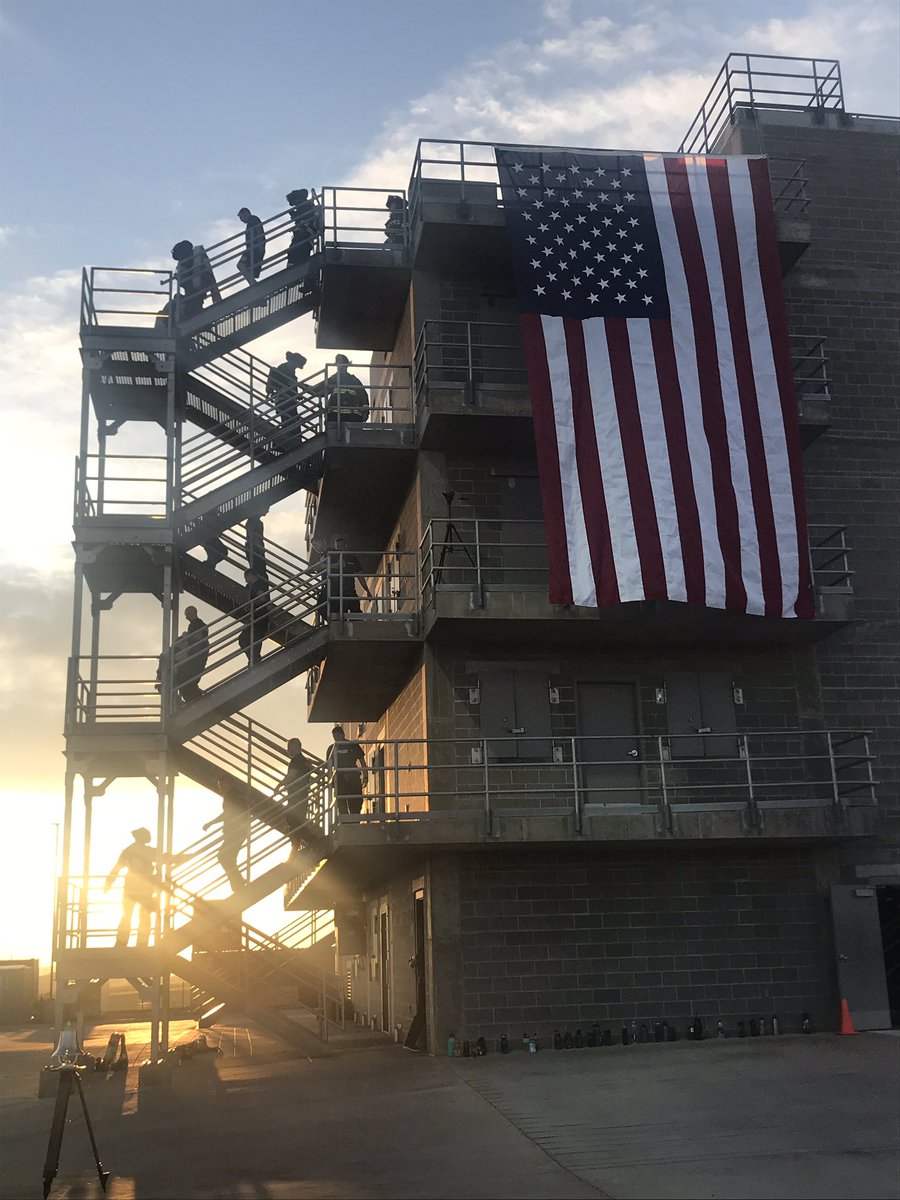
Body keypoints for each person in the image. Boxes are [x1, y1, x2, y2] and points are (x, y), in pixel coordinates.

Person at [104, 827, 183, 948]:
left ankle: (121, 943)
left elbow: (117, 868)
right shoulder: (147, 851)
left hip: (129, 888)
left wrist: (108, 883)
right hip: (145, 890)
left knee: (127, 915)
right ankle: (141, 943)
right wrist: (181, 858)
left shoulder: (128, 850)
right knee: (144, 916)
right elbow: (165, 857)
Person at [203, 779, 248, 892]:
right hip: (237, 831)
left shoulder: (232, 796)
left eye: (221, 785)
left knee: (224, 857)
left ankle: (237, 883)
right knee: (228, 857)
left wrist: (211, 823)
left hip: (236, 831)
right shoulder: (235, 795)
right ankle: (238, 882)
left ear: (228, 784)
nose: (220, 788)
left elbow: (228, 813)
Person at [273, 737, 318, 846]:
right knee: (296, 821)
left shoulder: (297, 760)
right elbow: (311, 770)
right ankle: (299, 844)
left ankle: (310, 839)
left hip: (297, 795)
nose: (288, 750)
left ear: (296, 747)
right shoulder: (304, 760)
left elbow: (291, 775)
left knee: (292, 819)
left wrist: (279, 785)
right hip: (301, 795)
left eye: (289, 747)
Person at [170, 240, 221, 320]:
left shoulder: (197, 258)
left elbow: (209, 276)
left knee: (192, 306)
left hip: (197, 290)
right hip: (193, 290)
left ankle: (194, 317)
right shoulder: (187, 263)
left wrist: (215, 293)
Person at [266, 351, 307, 443]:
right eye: (298, 364)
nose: (297, 367)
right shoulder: (286, 370)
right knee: (291, 422)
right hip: (285, 401)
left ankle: (286, 443)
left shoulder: (286, 369)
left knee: (290, 422)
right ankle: (288, 443)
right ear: (295, 361)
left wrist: (297, 394)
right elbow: (287, 384)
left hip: (286, 400)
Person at [328, 535, 373, 618]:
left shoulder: (352, 558)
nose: (340, 549)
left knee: (356, 612)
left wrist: (367, 591)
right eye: (337, 547)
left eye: (341, 546)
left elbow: (360, 575)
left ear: (346, 546)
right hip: (337, 592)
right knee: (340, 616)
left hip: (350, 590)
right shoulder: (332, 559)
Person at [327, 725, 367, 816]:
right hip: (339, 779)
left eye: (338, 736)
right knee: (341, 803)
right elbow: (328, 767)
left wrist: (365, 776)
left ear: (343, 734)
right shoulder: (332, 749)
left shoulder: (352, 745)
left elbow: (362, 762)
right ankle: (344, 821)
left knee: (355, 802)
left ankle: (355, 819)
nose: (336, 739)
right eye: (334, 737)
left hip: (353, 777)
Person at [322, 354, 369, 427]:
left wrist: (365, 412)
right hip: (336, 416)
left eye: (341, 364)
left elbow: (363, 397)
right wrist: (306, 387)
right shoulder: (334, 379)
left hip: (351, 417)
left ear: (346, 365)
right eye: (338, 364)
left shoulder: (353, 380)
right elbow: (320, 389)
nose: (340, 366)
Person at [237, 568, 271, 665]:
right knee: (253, 641)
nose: (246, 580)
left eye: (246, 577)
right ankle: (255, 660)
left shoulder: (259, 585)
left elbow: (263, 598)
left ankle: (255, 660)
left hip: (259, 617)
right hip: (258, 617)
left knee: (246, 640)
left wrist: (251, 605)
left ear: (251, 575)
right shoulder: (253, 586)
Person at [176, 606, 209, 701]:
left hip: (195, 658)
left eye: (187, 614)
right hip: (196, 657)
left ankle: (196, 701)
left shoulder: (198, 625)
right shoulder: (199, 625)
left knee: (185, 680)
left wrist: (185, 636)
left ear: (192, 613)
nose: (186, 617)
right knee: (189, 682)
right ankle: (197, 700)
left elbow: (197, 638)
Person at [285, 189, 320, 266]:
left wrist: (301, 226)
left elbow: (305, 219)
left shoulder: (305, 205)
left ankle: (293, 271)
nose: (295, 205)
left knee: (295, 252)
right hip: (304, 234)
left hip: (304, 234)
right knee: (295, 252)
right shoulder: (306, 205)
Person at [236, 207, 266, 284]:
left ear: (246, 214)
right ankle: (252, 282)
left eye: (241, 217)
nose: (241, 220)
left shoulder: (253, 219)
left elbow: (259, 231)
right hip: (253, 248)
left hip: (255, 248)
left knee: (241, 265)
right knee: (247, 268)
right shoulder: (252, 221)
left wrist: (260, 245)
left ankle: (253, 283)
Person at [245, 510, 268, 580]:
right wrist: (259, 547)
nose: (267, 511)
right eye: (266, 508)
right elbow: (252, 536)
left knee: (261, 570)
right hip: (254, 548)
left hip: (257, 548)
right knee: (259, 570)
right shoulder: (253, 521)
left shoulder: (257, 522)